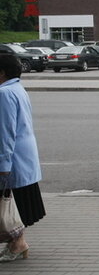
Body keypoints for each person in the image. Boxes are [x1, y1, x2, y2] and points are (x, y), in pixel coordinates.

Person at [0, 54, 45, 263]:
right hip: (23, 154)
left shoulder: (4, 93)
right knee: (15, 204)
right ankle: (17, 244)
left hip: (13, 157)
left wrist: (3, 164)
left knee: (9, 203)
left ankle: (17, 244)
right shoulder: (17, 88)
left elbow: (5, 132)